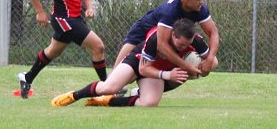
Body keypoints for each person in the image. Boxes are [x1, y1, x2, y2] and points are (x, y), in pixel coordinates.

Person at [17, 0, 107, 99]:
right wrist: (39, 12)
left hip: (76, 18)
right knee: (98, 47)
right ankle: (108, 87)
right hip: (62, 19)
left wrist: (89, 8)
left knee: (52, 52)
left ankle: (27, 78)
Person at [51, 19, 218, 107]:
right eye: (180, 44)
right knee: (109, 87)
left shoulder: (195, 40)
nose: (183, 47)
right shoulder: (156, 38)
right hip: (138, 63)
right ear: (173, 35)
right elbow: (143, 68)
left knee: (149, 103)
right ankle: (75, 95)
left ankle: (108, 102)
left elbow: (213, 61)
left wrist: (203, 67)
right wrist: (168, 74)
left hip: (155, 72)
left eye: (186, 45)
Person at [114, 0, 219, 77]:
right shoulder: (169, 12)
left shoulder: (200, 9)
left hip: (163, 40)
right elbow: (162, 45)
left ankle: (143, 89)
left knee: (213, 63)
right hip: (143, 32)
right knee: (118, 71)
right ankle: (107, 89)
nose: (201, 1)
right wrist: (186, 66)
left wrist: (209, 59)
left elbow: (213, 33)